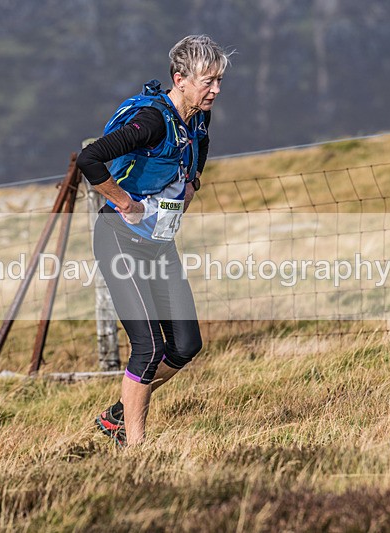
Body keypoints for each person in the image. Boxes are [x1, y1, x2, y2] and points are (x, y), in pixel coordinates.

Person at [77, 35, 233, 446]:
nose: (216, 90)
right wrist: (123, 201)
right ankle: (137, 451)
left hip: (159, 245)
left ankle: (118, 416)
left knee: (185, 346)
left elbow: (200, 147)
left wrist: (192, 182)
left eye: (219, 80)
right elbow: (89, 160)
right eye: (208, 81)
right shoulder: (151, 122)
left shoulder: (198, 117)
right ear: (180, 79)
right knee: (147, 349)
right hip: (119, 239)